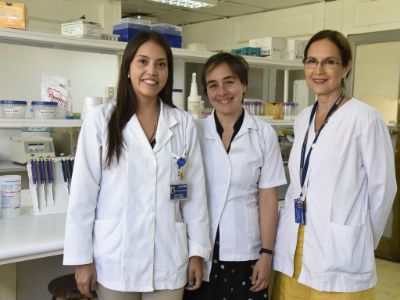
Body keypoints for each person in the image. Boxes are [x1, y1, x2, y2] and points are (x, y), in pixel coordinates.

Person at [63, 31, 211, 300]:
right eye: (142, 61)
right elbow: (83, 196)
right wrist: (82, 259)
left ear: (168, 72)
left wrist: (197, 252)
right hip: (117, 256)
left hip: (168, 256)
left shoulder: (183, 123)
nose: (151, 71)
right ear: (128, 68)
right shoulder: (101, 121)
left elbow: (195, 195)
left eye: (161, 64)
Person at [271, 29, 397, 299]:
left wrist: (358, 238)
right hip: (295, 243)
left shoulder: (364, 118)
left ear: (346, 68)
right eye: (311, 61)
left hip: (339, 249)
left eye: (329, 62)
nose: (319, 70)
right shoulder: (303, 117)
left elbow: (383, 189)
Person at [184, 52, 287, 300]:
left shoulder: (264, 135)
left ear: (244, 85)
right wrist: (191, 253)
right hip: (201, 251)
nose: (222, 91)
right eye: (213, 85)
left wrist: (266, 253)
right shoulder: (194, 131)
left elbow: (268, 199)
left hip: (247, 252)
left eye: (229, 82)